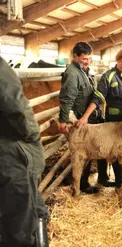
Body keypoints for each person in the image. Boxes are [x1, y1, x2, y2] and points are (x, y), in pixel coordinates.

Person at [79, 47, 122, 189]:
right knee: (116, 150)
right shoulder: (108, 76)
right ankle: (119, 180)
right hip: (115, 121)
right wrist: (85, 117)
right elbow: (98, 98)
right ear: (117, 60)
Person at [0, 56, 49, 246]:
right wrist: (30, 135)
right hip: (9, 152)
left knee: (35, 208)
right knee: (21, 224)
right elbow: (14, 106)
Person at [58, 41, 110, 193]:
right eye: (84, 59)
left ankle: (82, 182)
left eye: (89, 58)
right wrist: (62, 120)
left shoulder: (84, 70)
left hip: (88, 117)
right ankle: (81, 184)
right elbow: (67, 99)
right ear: (75, 56)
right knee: (82, 153)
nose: (88, 61)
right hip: (81, 119)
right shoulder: (72, 73)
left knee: (86, 152)